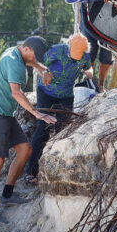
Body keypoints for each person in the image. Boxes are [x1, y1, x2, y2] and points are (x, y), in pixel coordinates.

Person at [0, 37, 57, 224]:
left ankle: (7, 195)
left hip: (6, 114)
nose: (35, 60)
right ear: (26, 48)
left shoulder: (18, 52)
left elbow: (31, 60)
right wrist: (36, 113)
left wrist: (43, 69)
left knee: (25, 150)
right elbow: (16, 93)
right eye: (34, 55)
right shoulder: (13, 62)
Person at [24, 33, 93, 184]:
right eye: (73, 53)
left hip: (66, 95)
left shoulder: (85, 58)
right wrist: (44, 73)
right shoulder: (57, 50)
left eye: (78, 55)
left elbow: (89, 68)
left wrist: (89, 73)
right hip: (46, 92)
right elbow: (38, 63)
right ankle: (31, 172)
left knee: (64, 130)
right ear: (68, 46)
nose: (75, 57)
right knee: (43, 128)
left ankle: (59, 171)